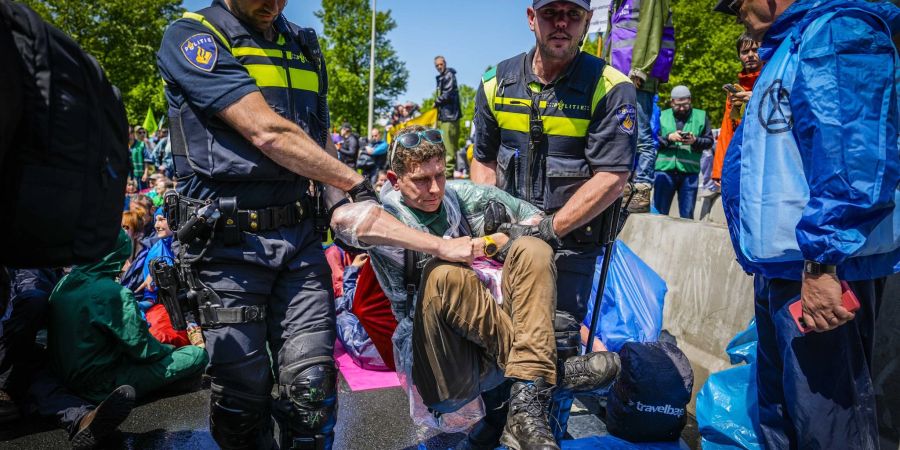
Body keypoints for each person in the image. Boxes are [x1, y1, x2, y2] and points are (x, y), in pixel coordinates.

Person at [156, 0, 387, 447]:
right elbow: (267, 131)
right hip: (226, 248)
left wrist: (350, 213)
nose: (275, 3)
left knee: (313, 393)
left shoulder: (302, 44)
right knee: (241, 403)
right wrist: (358, 185)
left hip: (300, 242)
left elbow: (315, 140)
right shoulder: (192, 36)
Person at [331, 125, 620, 450]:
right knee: (445, 275)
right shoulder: (388, 214)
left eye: (439, 176)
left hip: (486, 349)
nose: (434, 189)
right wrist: (440, 247)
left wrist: (498, 239)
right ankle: (552, 371)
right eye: (421, 181)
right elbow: (342, 220)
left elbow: (537, 220)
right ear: (395, 181)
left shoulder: (456, 197)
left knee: (533, 249)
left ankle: (527, 394)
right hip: (439, 364)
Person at [715, 0, 900, 448]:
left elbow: (852, 158)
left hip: (824, 273)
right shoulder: (791, 44)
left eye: (738, 1)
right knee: (783, 420)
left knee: (830, 428)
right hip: (786, 270)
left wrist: (823, 263)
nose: (735, 11)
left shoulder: (837, 32)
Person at [471, 0, 637, 441]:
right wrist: (489, 213)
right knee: (498, 339)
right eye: (551, 13)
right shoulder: (494, 81)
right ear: (531, 18)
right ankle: (496, 426)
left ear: (585, 22)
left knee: (557, 341)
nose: (561, 23)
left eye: (573, 14)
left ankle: (547, 433)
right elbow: (483, 158)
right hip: (506, 244)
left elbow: (612, 176)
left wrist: (550, 228)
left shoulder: (610, 86)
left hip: (573, 246)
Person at [47, 230, 207, 404]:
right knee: (196, 355)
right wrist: (170, 349)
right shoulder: (112, 293)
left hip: (63, 377)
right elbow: (144, 351)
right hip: (102, 383)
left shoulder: (63, 284)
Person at [603, 0, 676, 213]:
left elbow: (651, 29)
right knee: (621, 134)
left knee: (641, 136)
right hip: (616, 74)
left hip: (637, 77)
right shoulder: (616, 2)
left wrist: (640, 70)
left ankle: (642, 189)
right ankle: (622, 187)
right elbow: (611, 37)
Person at [700, 34, 761, 222]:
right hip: (741, 158)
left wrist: (755, 98)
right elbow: (727, 130)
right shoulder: (735, 88)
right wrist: (718, 169)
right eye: (744, 51)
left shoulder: (771, 78)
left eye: (755, 49)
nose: (750, 55)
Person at [653, 85, 713, 219]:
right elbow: (652, 140)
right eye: (678, 105)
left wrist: (695, 140)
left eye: (685, 105)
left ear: (690, 100)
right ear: (671, 102)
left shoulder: (701, 116)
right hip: (664, 172)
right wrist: (669, 137)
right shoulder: (662, 115)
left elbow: (709, 141)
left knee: (687, 216)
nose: (681, 108)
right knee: (658, 213)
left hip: (689, 174)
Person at [434, 56, 462, 178]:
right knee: (447, 145)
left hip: (450, 116)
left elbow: (448, 93)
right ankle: (448, 171)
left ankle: (448, 173)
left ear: (445, 63)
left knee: (449, 146)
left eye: (441, 64)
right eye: (437, 65)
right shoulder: (441, 78)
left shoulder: (449, 75)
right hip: (446, 116)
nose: (439, 67)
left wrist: (436, 102)